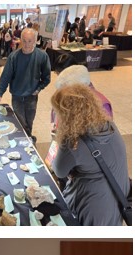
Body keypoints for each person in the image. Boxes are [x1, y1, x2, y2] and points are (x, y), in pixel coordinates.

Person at [50, 83, 129, 226]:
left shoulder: (73, 142)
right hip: (117, 198)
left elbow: (59, 170)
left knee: (88, 245)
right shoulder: (109, 125)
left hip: (93, 205)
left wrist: (59, 139)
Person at [0, 27, 51, 143]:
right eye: (24, 41)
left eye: (30, 41)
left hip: (32, 96)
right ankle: (27, 140)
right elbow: (6, 76)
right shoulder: (13, 57)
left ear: (35, 41)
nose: (26, 44)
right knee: (20, 121)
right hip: (17, 95)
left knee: (29, 121)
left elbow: (47, 78)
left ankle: (27, 139)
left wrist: (39, 88)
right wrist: (0, 93)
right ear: (20, 40)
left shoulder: (42, 56)